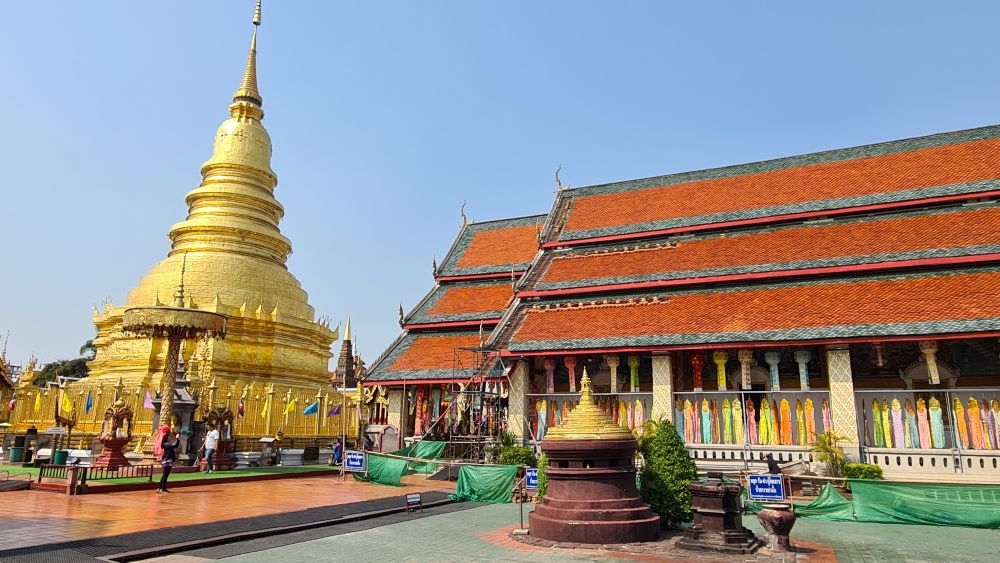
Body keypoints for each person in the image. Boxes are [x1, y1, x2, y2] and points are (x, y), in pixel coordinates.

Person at [156, 426, 180, 494]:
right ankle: (162, 489)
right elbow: (174, 445)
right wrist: (177, 439)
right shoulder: (166, 443)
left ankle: (160, 488)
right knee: (166, 474)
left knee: (165, 474)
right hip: (168, 458)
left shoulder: (164, 442)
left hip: (167, 458)